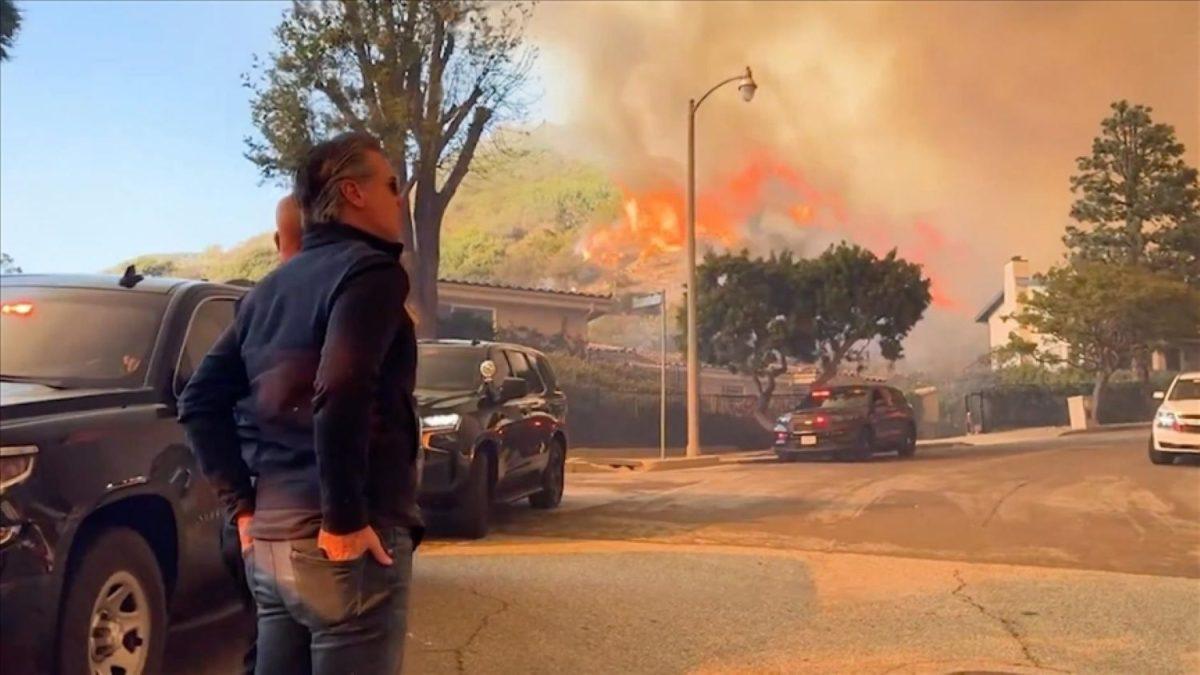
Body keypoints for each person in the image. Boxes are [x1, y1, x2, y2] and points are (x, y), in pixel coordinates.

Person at [181, 131, 422, 675]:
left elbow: (198, 400)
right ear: (353, 193)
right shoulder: (370, 272)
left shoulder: (268, 290)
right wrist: (342, 517)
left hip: (269, 540)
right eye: (390, 183)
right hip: (341, 545)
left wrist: (242, 508)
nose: (399, 196)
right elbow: (341, 387)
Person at [216, 192, 308, 675]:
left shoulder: (253, 305)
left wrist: (240, 508)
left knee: (266, 641)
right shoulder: (326, 303)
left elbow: (200, 402)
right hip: (301, 514)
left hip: (256, 514)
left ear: (278, 239)